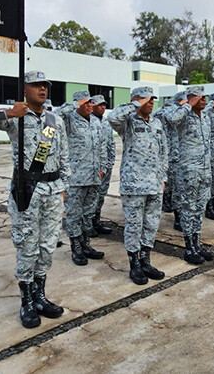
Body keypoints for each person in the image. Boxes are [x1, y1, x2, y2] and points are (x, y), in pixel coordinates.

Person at [0, 70, 68, 329]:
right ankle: (26, 301)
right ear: (25, 89)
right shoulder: (14, 117)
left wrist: (64, 186)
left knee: (47, 247)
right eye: (36, 85)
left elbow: (65, 156)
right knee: (27, 247)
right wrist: (10, 113)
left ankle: (40, 296)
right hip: (28, 190)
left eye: (45, 85)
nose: (42, 89)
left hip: (53, 191)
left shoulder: (54, 120)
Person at [108, 87, 168, 285]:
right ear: (136, 100)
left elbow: (163, 151)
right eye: (147, 99)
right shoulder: (128, 122)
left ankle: (146, 260)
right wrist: (135, 104)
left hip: (154, 183)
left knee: (151, 225)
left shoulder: (157, 123)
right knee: (134, 226)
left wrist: (164, 176)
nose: (151, 102)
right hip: (134, 185)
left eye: (152, 100)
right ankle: (134, 264)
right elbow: (112, 117)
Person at [55, 91, 107, 265]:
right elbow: (54, 115)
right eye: (86, 103)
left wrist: (103, 168)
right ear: (77, 104)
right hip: (75, 178)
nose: (89, 106)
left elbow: (102, 146)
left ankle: (86, 245)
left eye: (90, 103)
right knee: (74, 215)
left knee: (88, 213)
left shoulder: (95, 122)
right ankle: (76, 248)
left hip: (93, 176)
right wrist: (74, 105)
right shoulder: (68, 120)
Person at [167, 86, 214, 263]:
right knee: (188, 209)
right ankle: (189, 248)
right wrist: (188, 104)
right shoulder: (182, 114)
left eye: (204, 98)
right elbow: (170, 119)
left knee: (199, 208)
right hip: (189, 171)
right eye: (200, 98)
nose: (204, 101)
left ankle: (197, 244)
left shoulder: (205, 118)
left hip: (204, 170)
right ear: (192, 99)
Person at [91, 94, 114, 236]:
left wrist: (110, 163)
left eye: (104, 104)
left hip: (106, 166)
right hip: (93, 167)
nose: (103, 107)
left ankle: (96, 222)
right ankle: (88, 225)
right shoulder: (89, 121)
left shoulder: (105, 122)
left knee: (101, 195)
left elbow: (111, 143)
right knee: (92, 197)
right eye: (99, 105)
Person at [163, 91, 186, 231]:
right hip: (172, 156)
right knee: (175, 188)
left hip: (184, 157)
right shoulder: (170, 113)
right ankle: (177, 218)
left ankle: (182, 215)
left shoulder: (185, 113)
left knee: (182, 188)